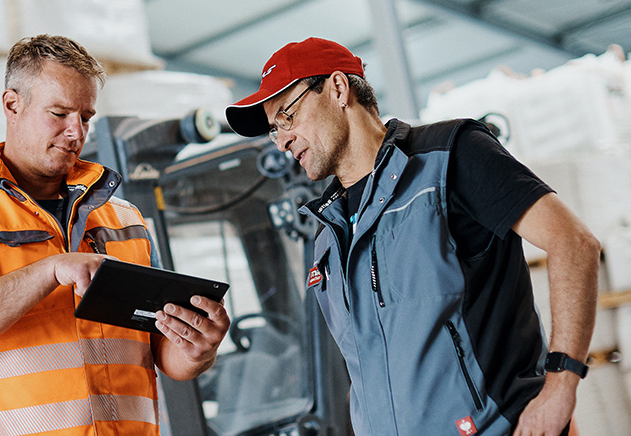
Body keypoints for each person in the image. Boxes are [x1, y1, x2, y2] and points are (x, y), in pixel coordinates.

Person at [225, 37, 600, 436]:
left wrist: (560, 386)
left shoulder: (451, 157)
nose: (282, 140)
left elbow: (573, 243)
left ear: (337, 89)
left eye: (287, 116)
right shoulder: (328, 235)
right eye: (273, 131)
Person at [0, 34, 229, 435]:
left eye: (86, 117)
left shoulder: (126, 219)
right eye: (59, 113)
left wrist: (198, 349)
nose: (76, 132)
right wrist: (51, 269)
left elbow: (165, 354)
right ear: (12, 105)